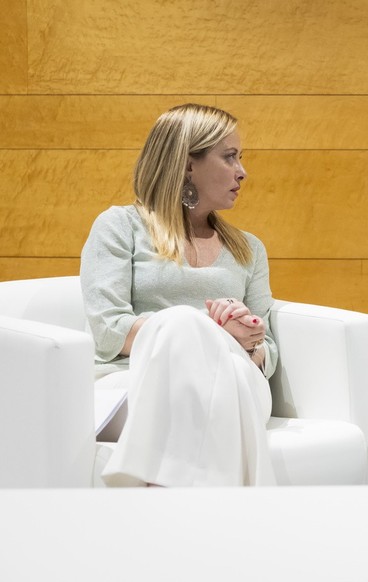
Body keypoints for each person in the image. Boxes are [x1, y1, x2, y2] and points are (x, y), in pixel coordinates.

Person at [80, 103, 278, 487]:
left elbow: (266, 348)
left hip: (239, 376)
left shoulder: (248, 248)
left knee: (221, 363)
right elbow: (107, 332)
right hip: (133, 380)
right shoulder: (118, 227)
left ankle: (152, 499)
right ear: (188, 164)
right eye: (230, 157)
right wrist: (212, 328)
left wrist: (250, 340)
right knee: (184, 323)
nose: (243, 171)